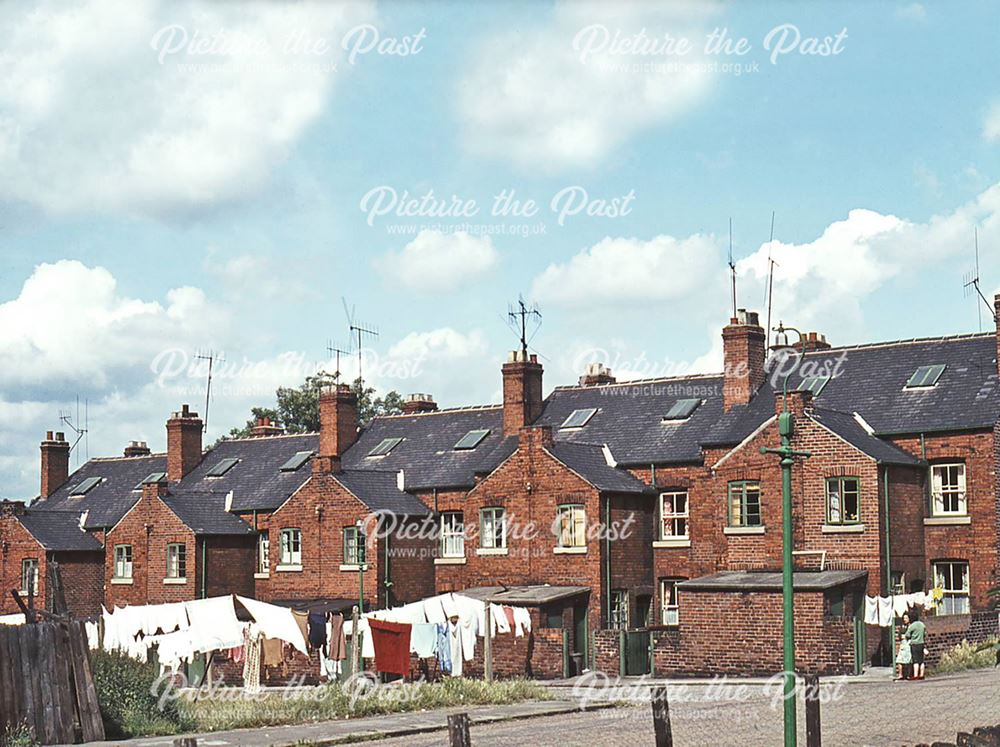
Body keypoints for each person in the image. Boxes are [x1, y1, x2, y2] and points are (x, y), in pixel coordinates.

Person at [904, 608, 927, 680]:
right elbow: (925, 634)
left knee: (915, 660)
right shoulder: (922, 625)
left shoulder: (912, 626)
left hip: (914, 644)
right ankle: (922, 674)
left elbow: (907, 635)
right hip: (921, 643)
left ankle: (915, 675)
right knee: (921, 660)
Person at [894, 612, 912, 681]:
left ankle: (908, 675)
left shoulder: (911, 626)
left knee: (909, 660)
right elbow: (899, 635)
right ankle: (900, 674)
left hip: (908, 644)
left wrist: (906, 637)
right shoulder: (902, 626)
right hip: (903, 644)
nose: (905, 619)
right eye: (904, 618)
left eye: (906, 618)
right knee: (899, 660)